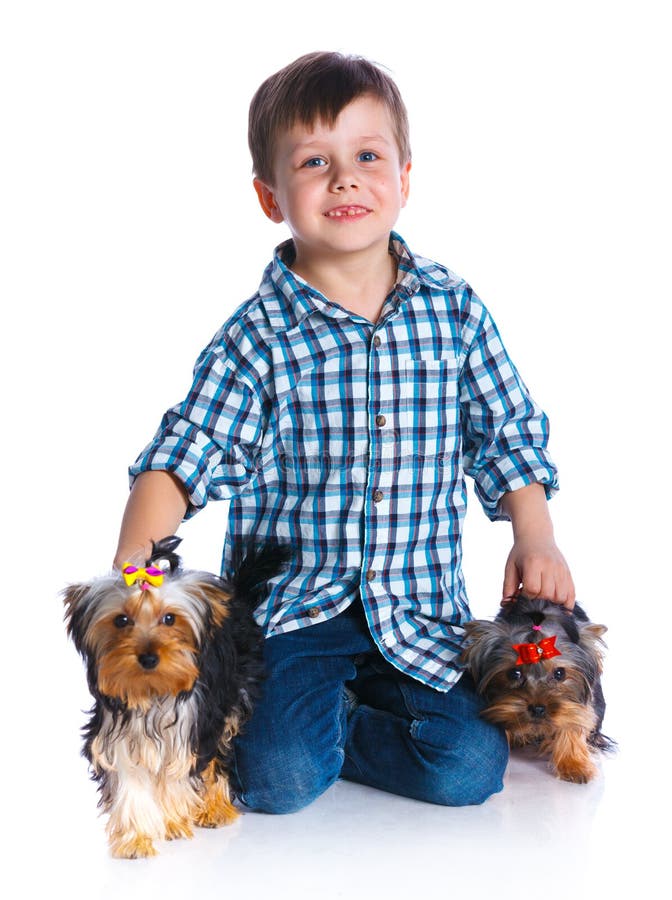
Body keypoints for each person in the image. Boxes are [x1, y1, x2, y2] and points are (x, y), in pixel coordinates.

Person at [114, 51, 575, 811]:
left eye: (367, 156)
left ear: (404, 177)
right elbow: (185, 453)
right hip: (296, 612)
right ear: (270, 197)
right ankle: (303, 726)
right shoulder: (258, 336)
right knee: (276, 780)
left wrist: (535, 534)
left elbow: (505, 430)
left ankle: (344, 721)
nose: (344, 179)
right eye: (314, 162)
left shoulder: (453, 309)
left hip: (419, 612)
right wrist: (139, 566)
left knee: (468, 769)